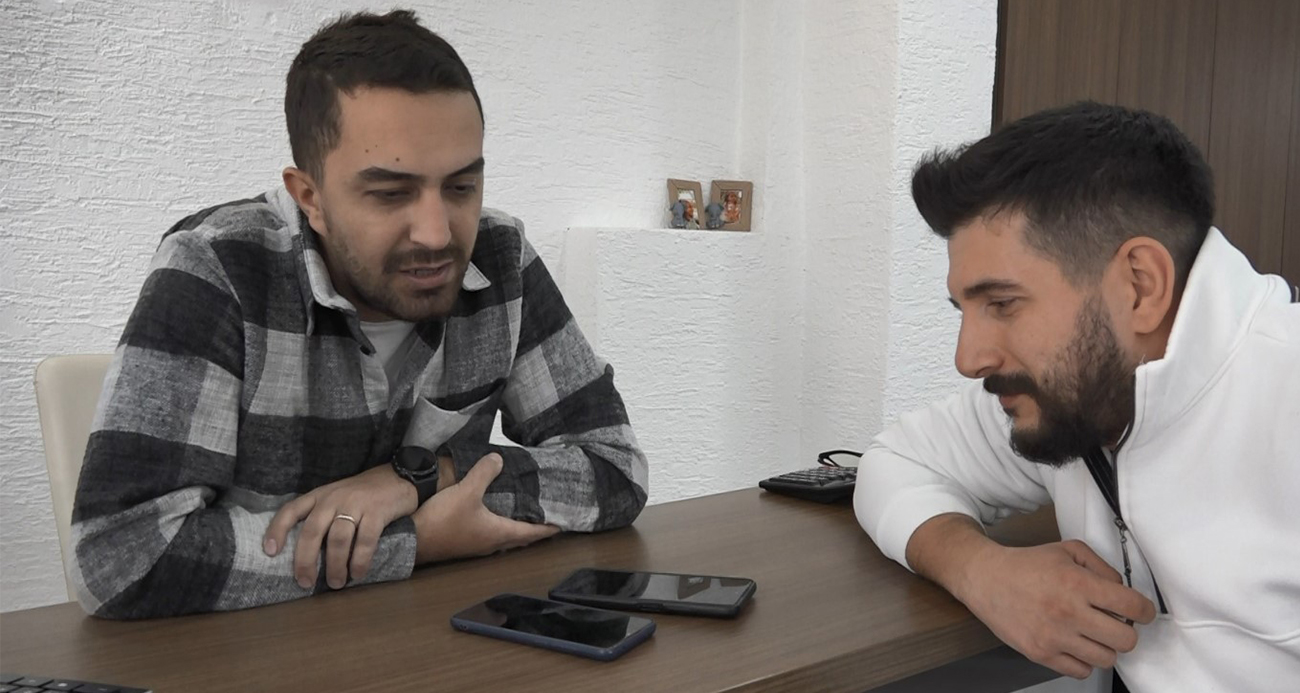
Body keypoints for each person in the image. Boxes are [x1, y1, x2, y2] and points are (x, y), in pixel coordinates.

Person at [71, 10, 648, 620]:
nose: (437, 235)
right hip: (250, 651)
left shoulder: (500, 258)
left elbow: (615, 467)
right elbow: (122, 556)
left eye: (460, 187)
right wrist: (417, 541)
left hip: (441, 642)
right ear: (310, 197)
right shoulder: (217, 267)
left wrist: (422, 478)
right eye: (391, 194)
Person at [854, 102, 1300, 691]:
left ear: (1140, 286)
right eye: (964, 310)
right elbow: (896, 461)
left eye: (1003, 304)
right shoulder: (1078, 394)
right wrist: (981, 570)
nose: (969, 359)